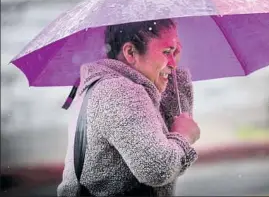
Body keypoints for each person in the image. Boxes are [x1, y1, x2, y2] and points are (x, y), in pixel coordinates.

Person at [57, 19, 200, 196]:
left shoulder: (103, 86)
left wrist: (173, 74)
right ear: (130, 52)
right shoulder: (120, 91)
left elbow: (166, 144)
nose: (173, 62)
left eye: (175, 51)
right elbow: (158, 168)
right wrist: (184, 137)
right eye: (166, 51)